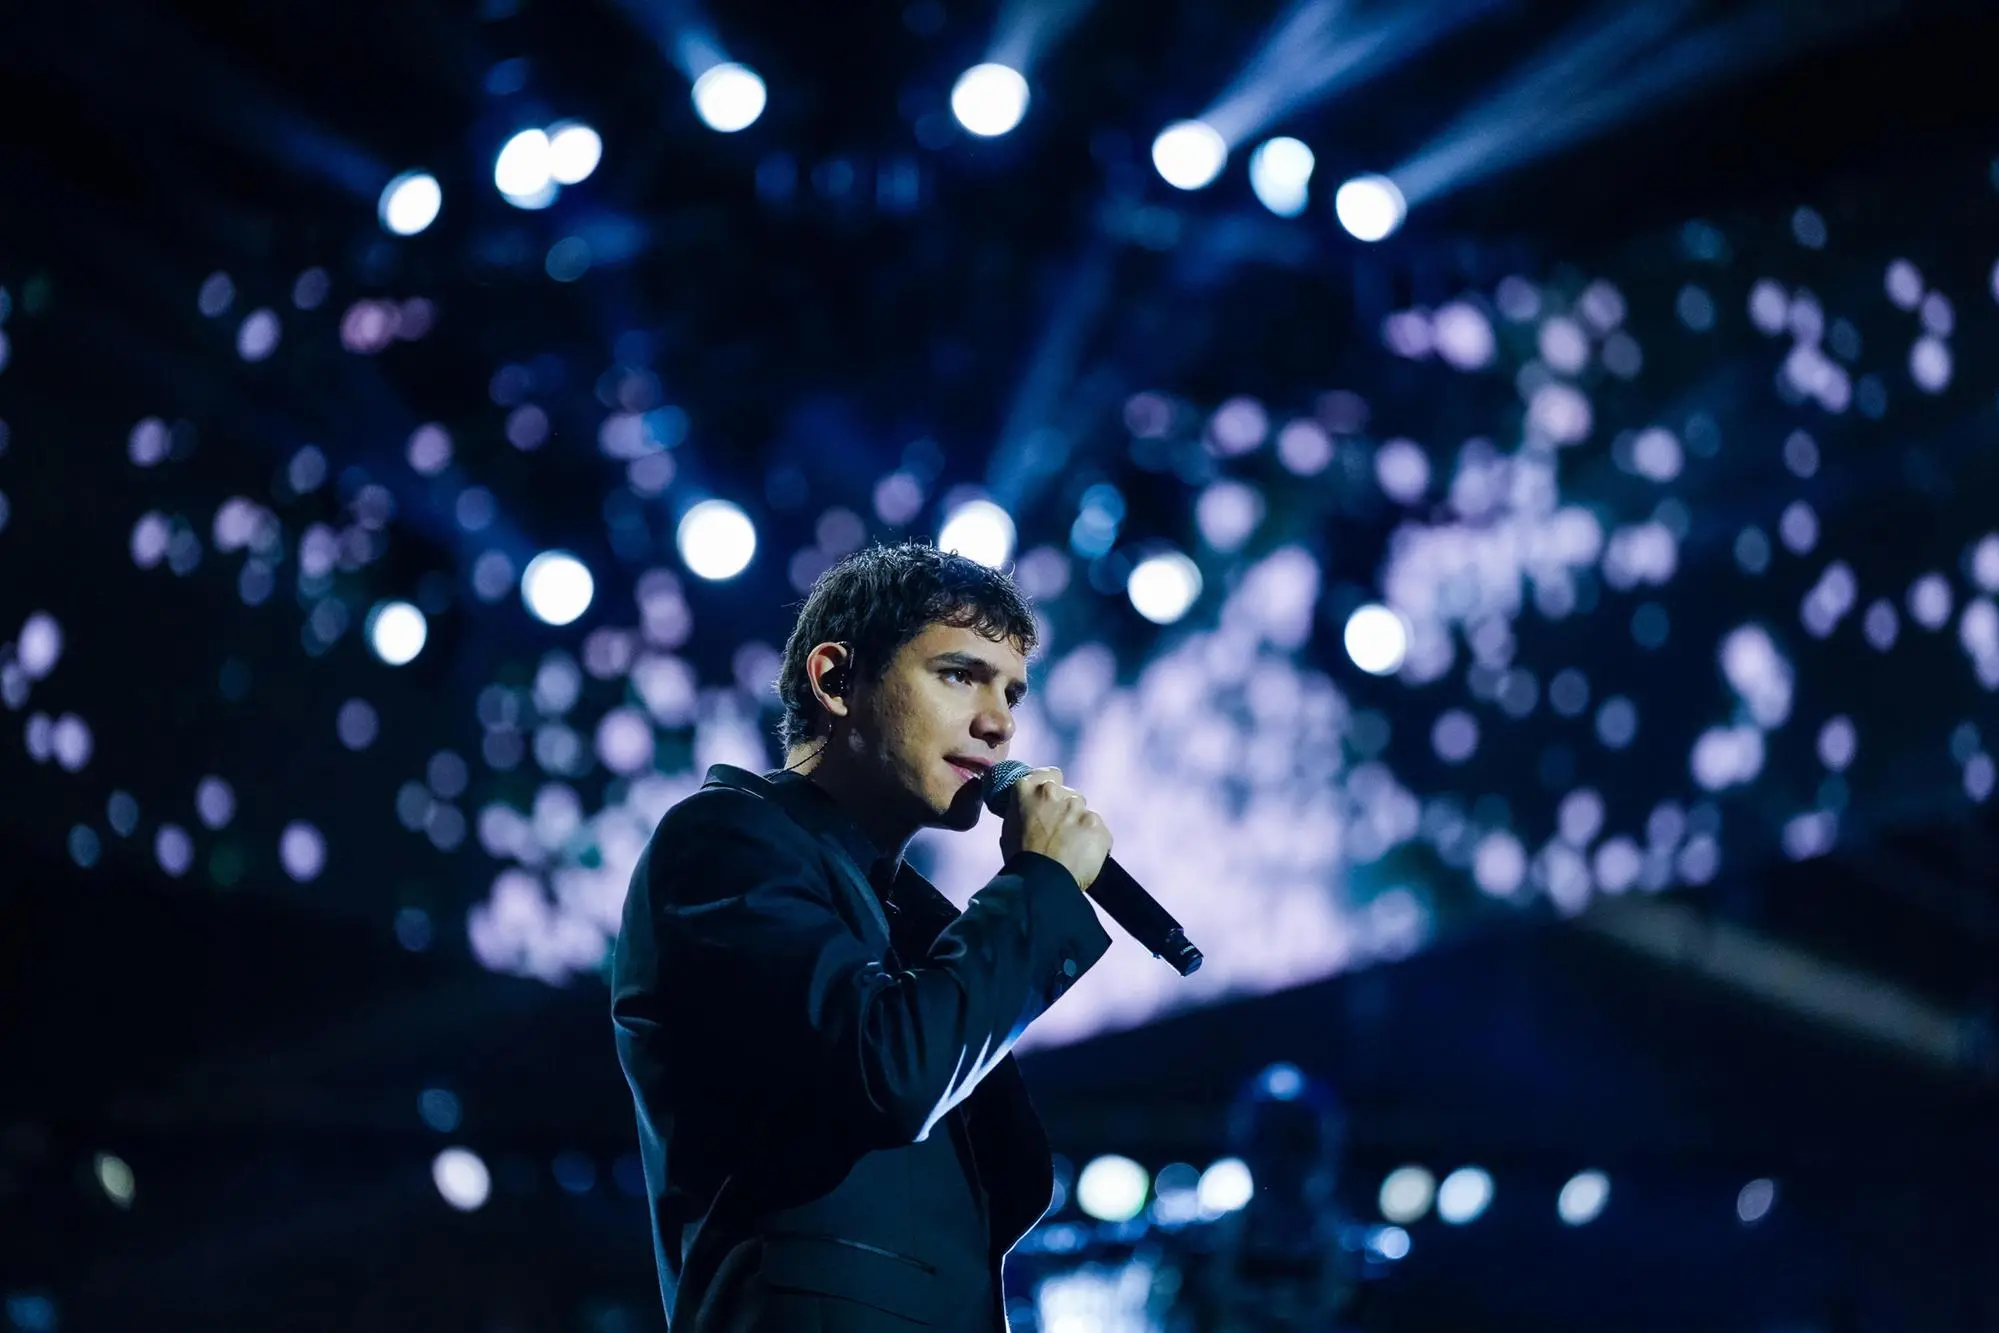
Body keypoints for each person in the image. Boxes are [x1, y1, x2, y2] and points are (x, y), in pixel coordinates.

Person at [612, 540, 1116, 1332]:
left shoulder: (909, 914)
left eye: (1012, 692)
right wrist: (1039, 884)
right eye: (959, 675)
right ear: (835, 679)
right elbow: (891, 1068)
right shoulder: (724, 840)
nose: (998, 723)